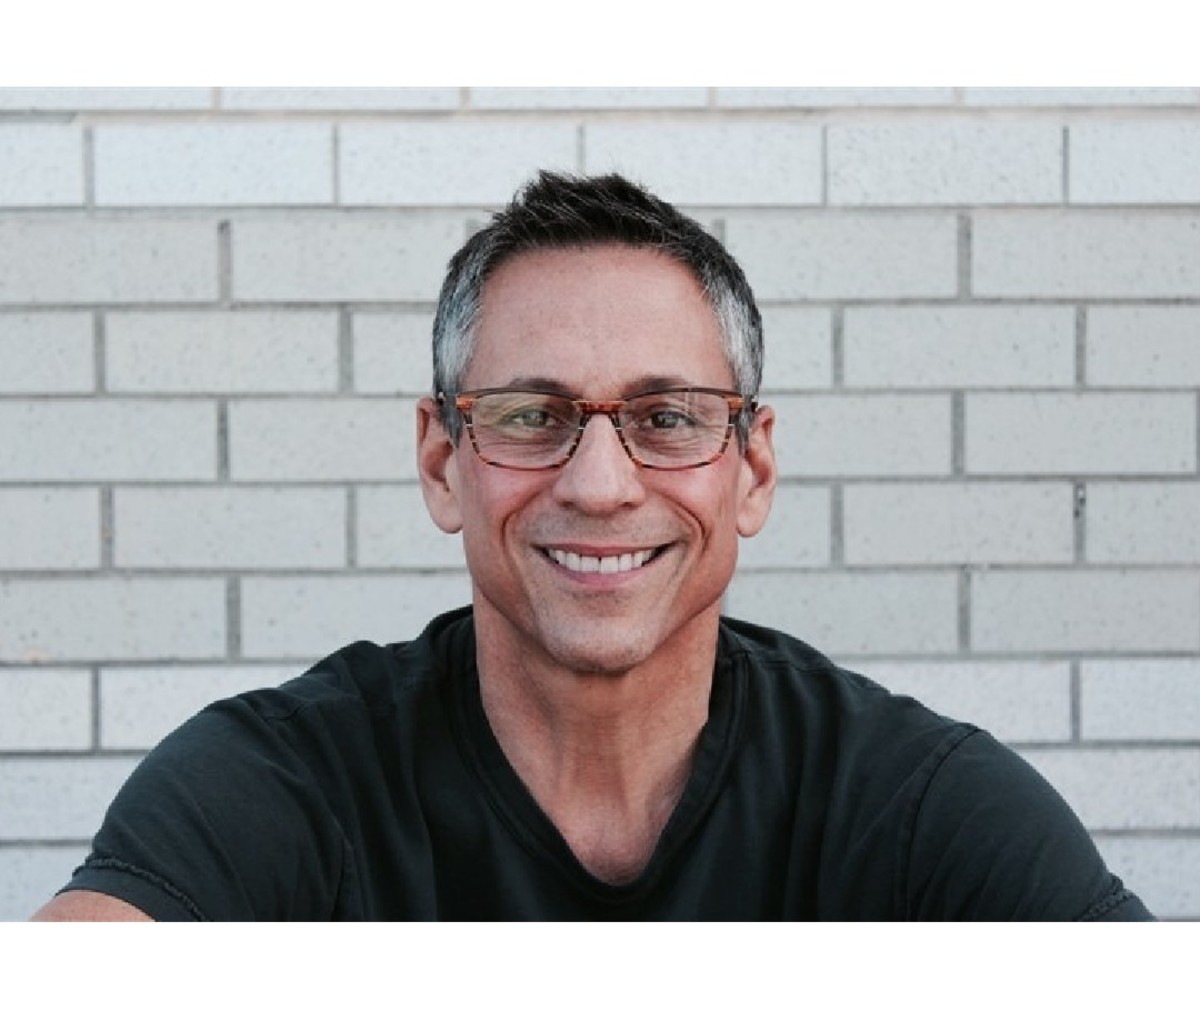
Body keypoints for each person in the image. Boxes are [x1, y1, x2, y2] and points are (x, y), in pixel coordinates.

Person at [34, 171, 1151, 921]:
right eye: (531, 415)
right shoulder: (287, 784)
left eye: (669, 417)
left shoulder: (907, 804)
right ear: (441, 460)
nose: (601, 484)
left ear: (750, 467)